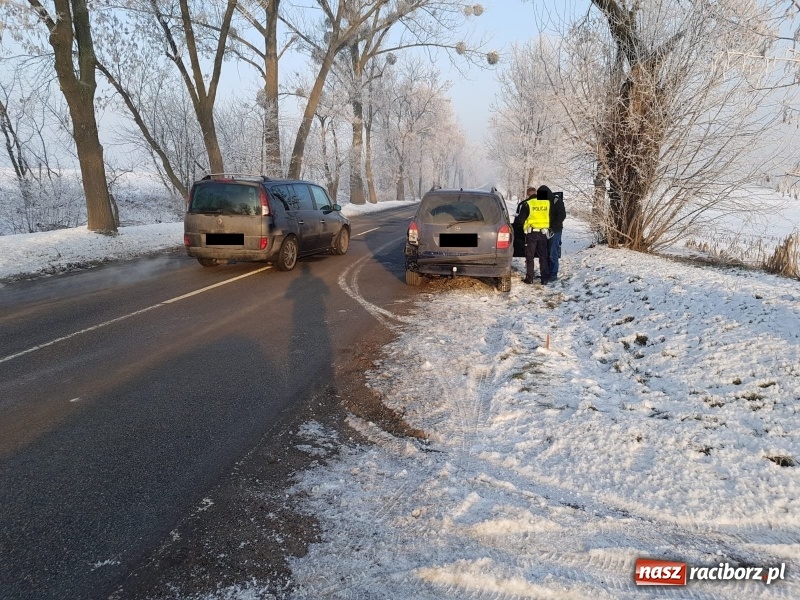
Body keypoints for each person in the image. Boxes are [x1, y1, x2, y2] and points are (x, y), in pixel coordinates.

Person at [513, 186, 550, 284]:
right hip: (543, 233)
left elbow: (521, 220)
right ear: (536, 193)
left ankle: (529, 278)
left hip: (532, 233)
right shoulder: (546, 202)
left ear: (528, 194)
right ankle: (544, 279)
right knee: (543, 256)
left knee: (530, 256)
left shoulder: (527, 203)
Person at [546, 188, 566, 282]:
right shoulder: (544, 201)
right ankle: (547, 273)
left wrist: (552, 226)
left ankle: (553, 274)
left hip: (556, 230)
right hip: (545, 230)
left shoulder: (557, 201)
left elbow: (562, 215)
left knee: (553, 252)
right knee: (546, 252)